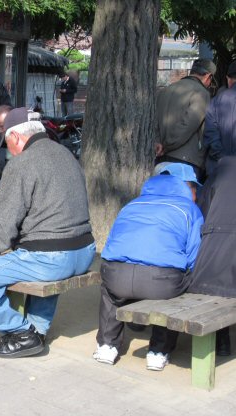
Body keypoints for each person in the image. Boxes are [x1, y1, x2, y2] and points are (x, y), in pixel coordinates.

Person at [0, 107, 95, 358]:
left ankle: (22, 333)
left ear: (16, 137)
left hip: (52, 259)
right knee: (39, 250)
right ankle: (38, 329)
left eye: (7, 143)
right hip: (84, 252)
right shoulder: (66, 154)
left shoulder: (22, 164)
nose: (8, 150)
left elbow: (3, 224)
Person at [93, 163, 203, 371]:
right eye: (192, 187)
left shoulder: (133, 204)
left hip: (117, 276)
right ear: (182, 186)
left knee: (110, 292)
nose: (195, 193)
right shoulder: (190, 210)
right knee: (178, 292)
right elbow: (194, 256)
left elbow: (113, 243)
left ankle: (107, 346)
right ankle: (158, 351)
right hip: (162, 283)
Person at [188, 156, 236, 356]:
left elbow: (202, 212)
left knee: (215, 288)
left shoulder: (219, 173)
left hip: (214, 255)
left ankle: (222, 343)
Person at [155, 58, 216, 181]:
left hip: (159, 158)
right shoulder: (202, 93)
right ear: (208, 76)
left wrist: (158, 144)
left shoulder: (164, 91)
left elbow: (154, 121)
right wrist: (167, 145)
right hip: (185, 162)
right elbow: (187, 125)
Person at [202, 61, 236, 176]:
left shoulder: (217, 100)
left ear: (228, 78)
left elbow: (210, 134)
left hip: (219, 169)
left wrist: (222, 158)